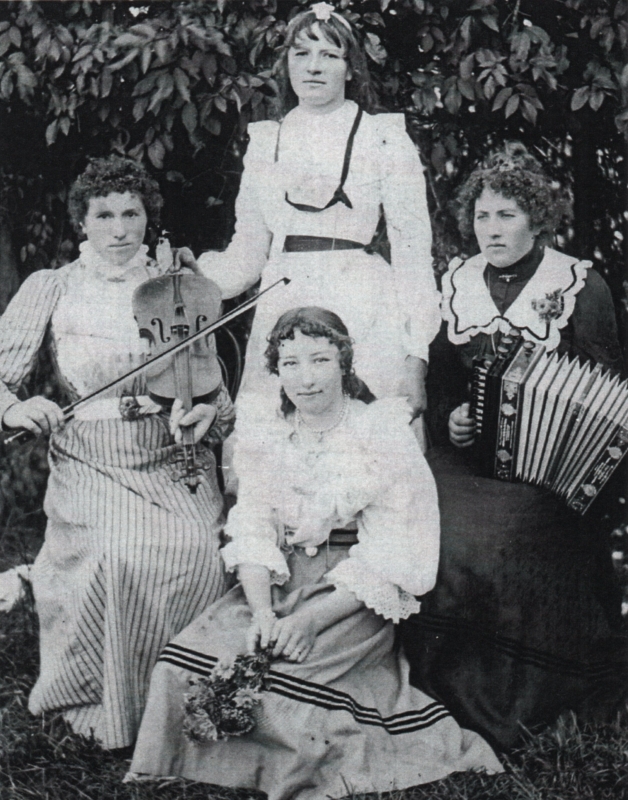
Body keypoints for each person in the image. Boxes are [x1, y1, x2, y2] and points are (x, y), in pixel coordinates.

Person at [127, 306, 502, 798]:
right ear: (275, 370)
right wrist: (262, 610)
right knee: (186, 667)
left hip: (352, 591)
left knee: (292, 696)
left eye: (320, 360)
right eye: (290, 364)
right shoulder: (267, 433)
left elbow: (397, 548)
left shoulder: (380, 432)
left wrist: (310, 621)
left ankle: (276, 765)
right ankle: (208, 761)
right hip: (281, 579)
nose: (305, 379)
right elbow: (255, 522)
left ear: (344, 363)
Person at [0, 156, 234, 750]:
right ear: (83, 220)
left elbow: (217, 399)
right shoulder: (52, 287)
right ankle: (111, 705)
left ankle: (190, 708)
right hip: (89, 458)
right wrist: (16, 408)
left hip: (170, 454)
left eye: (132, 213)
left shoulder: (177, 289)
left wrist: (206, 413)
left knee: (202, 555)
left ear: (148, 219)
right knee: (120, 554)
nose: (120, 228)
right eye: (105, 214)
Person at [400, 142, 627, 751]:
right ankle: (443, 692)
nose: (491, 229)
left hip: (551, 472)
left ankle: (520, 700)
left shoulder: (579, 283)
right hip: (466, 459)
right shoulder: (456, 281)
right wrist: (451, 418)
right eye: (481, 216)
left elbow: (606, 392)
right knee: (435, 519)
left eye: (506, 215)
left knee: (504, 535)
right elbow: (444, 376)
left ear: (536, 220)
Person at [195, 2, 440, 469]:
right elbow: (247, 255)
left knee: (368, 458)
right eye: (301, 54)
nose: (313, 66)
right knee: (277, 460)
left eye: (329, 55)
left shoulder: (383, 138)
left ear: (351, 68)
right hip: (283, 296)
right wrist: (195, 280)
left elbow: (413, 256)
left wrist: (416, 357)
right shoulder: (267, 141)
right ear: (285, 65)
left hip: (364, 301)